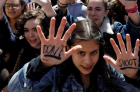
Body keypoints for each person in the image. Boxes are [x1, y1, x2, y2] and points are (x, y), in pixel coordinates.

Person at [8, 17, 140, 91]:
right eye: (80, 53)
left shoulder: (107, 69)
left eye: (94, 52)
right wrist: (42, 64)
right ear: (69, 49)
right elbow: (15, 88)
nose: (88, 61)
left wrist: (133, 77)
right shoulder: (57, 70)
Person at [0, 0, 56, 90]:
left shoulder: (55, 48)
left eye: (36, 29)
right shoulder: (23, 46)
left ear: (45, 29)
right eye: (26, 30)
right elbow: (7, 38)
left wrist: (48, 7)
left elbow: (60, 27)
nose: (30, 35)